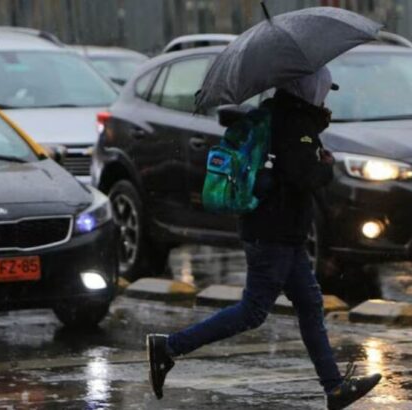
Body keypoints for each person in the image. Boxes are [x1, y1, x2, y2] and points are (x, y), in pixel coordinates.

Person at [146, 67, 381, 409]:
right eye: (323, 89)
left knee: (309, 303)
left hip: (277, 230)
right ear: (307, 89)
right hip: (275, 233)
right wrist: (326, 166)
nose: (325, 96)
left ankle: (334, 389)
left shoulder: (277, 116)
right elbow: (302, 176)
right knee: (253, 311)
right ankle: (169, 347)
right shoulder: (294, 124)